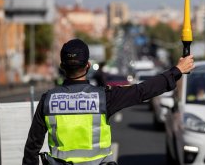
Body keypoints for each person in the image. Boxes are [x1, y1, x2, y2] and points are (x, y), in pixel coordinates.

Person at [22, 38, 194, 165]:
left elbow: (32, 147)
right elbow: (143, 90)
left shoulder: (48, 100)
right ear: (88, 66)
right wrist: (177, 70)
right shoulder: (104, 97)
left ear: (62, 66)